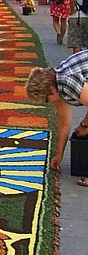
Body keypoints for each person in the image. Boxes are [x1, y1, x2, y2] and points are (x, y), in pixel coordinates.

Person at [26, 51, 88, 185]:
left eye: (46, 100)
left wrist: (84, 125)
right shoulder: (57, 82)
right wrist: (59, 154)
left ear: (51, 90)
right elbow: (64, 122)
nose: (48, 102)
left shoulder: (67, 81)